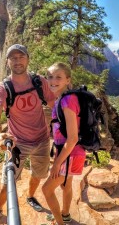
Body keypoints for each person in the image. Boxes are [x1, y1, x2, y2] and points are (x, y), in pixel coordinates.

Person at [0, 44, 56, 225]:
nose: (17, 61)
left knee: (38, 174)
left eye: (21, 57)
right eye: (13, 58)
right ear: (7, 61)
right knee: (6, 182)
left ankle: (31, 196)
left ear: (27, 59)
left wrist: (64, 125)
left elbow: (54, 102)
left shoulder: (39, 82)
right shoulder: (3, 89)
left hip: (42, 139)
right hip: (17, 143)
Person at [42, 62, 86, 225]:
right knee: (66, 186)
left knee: (46, 190)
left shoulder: (67, 101)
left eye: (58, 77)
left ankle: (60, 223)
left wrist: (56, 164)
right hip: (72, 154)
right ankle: (65, 215)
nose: (53, 80)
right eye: (50, 77)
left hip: (70, 155)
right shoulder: (64, 99)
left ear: (68, 80)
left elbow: (72, 138)